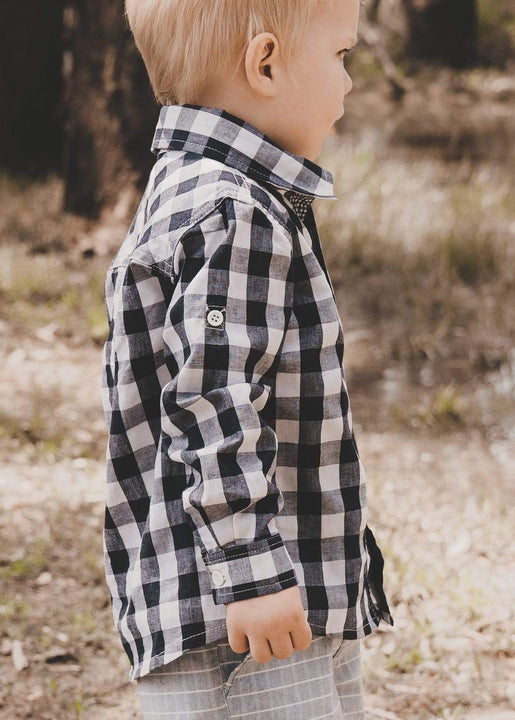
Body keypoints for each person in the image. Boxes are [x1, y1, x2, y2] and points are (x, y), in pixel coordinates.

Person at [100, 0, 394, 717]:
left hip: (230, 596)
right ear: (265, 63)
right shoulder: (237, 211)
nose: (350, 84)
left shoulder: (183, 187)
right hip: (248, 609)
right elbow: (213, 400)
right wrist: (253, 570)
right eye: (341, 57)